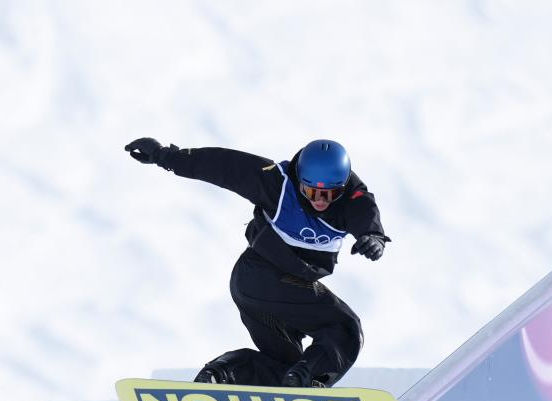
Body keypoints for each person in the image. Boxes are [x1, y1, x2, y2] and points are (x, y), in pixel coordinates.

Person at [124, 137, 390, 388]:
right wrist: (163, 155)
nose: (320, 201)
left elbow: (365, 215)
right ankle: (308, 381)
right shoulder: (277, 183)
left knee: (286, 367)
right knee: (344, 328)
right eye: (310, 191)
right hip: (266, 276)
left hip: (252, 289)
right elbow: (224, 166)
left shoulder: (353, 200)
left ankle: (223, 374)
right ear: (299, 180)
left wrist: (373, 237)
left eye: (329, 195)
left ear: (342, 188)